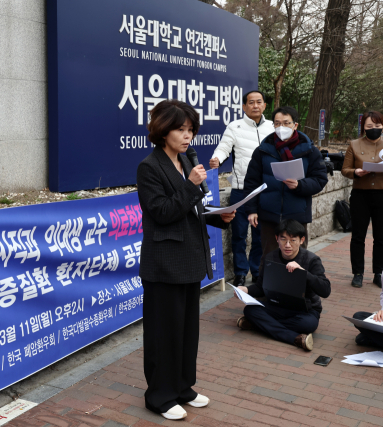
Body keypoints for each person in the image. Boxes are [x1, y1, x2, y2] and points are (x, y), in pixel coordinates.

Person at [137, 100, 235, 420]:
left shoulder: (184, 162)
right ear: (163, 130)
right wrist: (191, 186)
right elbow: (163, 213)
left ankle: (182, 387)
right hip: (164, 263)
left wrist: (222, 218)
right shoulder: (150, 167)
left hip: (189, 259)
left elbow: (193, 209)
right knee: (163, 332)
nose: (187, 135)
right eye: (180, 129)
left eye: (191, 129)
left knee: (186, 330)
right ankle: (159, 396)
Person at [243, 106, 328, 266]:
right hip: (269, 213)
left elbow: (320, 179)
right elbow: (251, 182)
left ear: (295, 125)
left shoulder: (309, 150)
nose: (281, 128)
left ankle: (296, 291)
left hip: (297, 213)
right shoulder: (263, 150)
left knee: (297, 258)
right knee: (269, 257)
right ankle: (268, 290)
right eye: (277, 123)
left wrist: (299, 185)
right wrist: (252, 210)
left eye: (286, 123)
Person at [236, 219, 331, 351]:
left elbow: (325, 290)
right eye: (283, 239)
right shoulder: (270, 258)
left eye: (293, 240)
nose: (287, 245)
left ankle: (259, 325)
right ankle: (294, 338)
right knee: (250, 310)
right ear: (276, 239)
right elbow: (260, 288)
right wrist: (245, 290)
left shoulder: (311, 260)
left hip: (305, 311)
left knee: (308, 325)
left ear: (301, 240)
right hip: (277, 306)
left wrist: (304, 273)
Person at [210, 90, 273, 286]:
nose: (255, 105)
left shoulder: (272, 127)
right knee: (238, 234)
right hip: (241, 190)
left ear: (264, 105)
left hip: (265, 190)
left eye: (259, 102)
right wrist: (217, 159)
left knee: (259, 235)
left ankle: (256, 271)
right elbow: (224, 147)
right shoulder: (234, 127)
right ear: (244, 107)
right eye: (251, 102)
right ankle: (239, 273)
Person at [341, 111, 383, 288]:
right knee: (358, 236)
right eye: (369, 126)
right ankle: (357, 273)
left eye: (377, 126)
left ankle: (379, 273)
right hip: (360, 195)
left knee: (381, 237)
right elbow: (345, 169)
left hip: (382, 194)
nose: (374, 129)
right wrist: (356, 172)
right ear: (363, 128)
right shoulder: (355, 144)